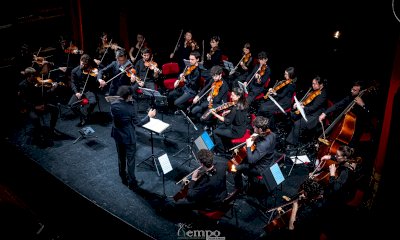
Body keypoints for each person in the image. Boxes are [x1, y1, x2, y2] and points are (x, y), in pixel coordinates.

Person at [110, 85, 156, 190]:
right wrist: (149, 116)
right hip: (128, 136)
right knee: (130, 160)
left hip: (117, 134)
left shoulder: (113, 104)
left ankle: (122, 176)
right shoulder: (130, 107)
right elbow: (138, 123)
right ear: (128, 96)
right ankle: (132, 182)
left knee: (121, 157)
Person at [166, 149, 227, 216]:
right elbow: (215, 168)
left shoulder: (206, 183)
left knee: (178, 202)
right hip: (222, 194)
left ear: (201, 164)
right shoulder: (222, 166)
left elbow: (191, 195)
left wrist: (193, 179)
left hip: (211, 204)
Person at [318, 80, 371, 148]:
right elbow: (337, 105)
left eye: (354, 90)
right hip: (343, 127)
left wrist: (363, 105)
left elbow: (369, 115)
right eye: (352, 89)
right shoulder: (350, 97)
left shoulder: (366, 101)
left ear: (360, 92)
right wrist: (325, 113)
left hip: (355, 131)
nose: (351, 91)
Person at [17, 67, 61, 147]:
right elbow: (24, 101)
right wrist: (35, 107)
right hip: (30, 108)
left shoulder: (37, 83)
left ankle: (51, 129)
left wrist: (52, 89)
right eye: (34, 76)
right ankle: (40, 134)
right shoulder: (22, 85)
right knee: (35, 118)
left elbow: (44, 95)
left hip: (41, 104)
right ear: (28, 76)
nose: (36, 77)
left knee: (55, 109)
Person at [233, 116, 277, 192]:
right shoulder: (272, 134)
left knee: (236, 168)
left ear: (260, 129)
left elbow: (251, 161)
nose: (253, 129)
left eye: (255, 128)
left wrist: (249, 146)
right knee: (244, 159)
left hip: (261, 168)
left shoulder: (263, 145)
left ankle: (239, 189)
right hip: (269, 160)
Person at [286, 76, 328, 147]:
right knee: (292, 114)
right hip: (309, 111)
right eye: (312, 83)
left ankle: (293, 145)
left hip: (314, 116)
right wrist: (299, 103)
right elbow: (308, 101)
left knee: (297, 124)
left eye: (315, 84)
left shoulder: (323, 95)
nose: (312, 85)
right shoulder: (315, 91)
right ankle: (290, 140)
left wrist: (303, 107)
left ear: (321, 85)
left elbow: (313, 107)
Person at [211, 87, 248, 154]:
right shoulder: (244, 103)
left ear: (238, 96)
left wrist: (215, 114)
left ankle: (221, 151)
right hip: (241, 127)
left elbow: (227, 121)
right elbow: (238, 115)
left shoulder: (235, 109)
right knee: (220, 127)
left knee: (215, 132)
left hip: (236, 131)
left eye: (233, 95)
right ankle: (223, 143)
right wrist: (229, 112)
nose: (230, 97)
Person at [68, 54, 100, 126]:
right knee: (71, 105)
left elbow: (97, 79)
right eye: (82, 63)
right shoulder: (74, 71)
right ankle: (82, 116)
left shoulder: (92, 68)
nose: (83, 66)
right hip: (79, 90)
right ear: (80, 61)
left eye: (85, 65)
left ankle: (87, 113)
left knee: (93, 102)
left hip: (89, 90)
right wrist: (76, 93)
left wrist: (97, 75)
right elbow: (73, 83)